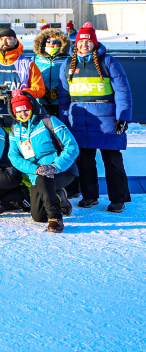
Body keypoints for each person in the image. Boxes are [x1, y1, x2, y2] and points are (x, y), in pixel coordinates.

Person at [58, 22, 132, 213]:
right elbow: (64, 95)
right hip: (79, 121)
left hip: (107, 121)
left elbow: (122, 91)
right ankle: (89, 196)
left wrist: (123, 117)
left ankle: (118, 199)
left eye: (88, 41)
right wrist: (64, 119)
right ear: (76, 43)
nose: (84, 45)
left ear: (94, 43)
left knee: (113, 162)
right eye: (81, 41)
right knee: (84, 163)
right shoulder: (67, 65)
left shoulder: (109, 62)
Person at [8, 89, 79, 233]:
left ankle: (55, 219)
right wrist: (34, 169)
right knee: (39, 216)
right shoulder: (15, 129)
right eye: (19, 111)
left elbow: (72, 147)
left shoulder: (48, 121)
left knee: (44, 180)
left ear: (32, 107)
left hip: (61, 171)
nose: (23, 114)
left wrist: (55, 167)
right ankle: (58, 195)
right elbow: (14, 157)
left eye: (26, 110)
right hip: (36, 174)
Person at [0, 27, 45, 123]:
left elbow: (39, 89)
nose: (4, 42)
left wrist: (22, 93)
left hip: (21, 114)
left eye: (8, 39)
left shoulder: (28, 63)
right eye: (0, 39)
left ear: (15, 41)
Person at [33, 26, 69, 117]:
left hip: (60, 102)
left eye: (55, 42)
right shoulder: (35, 59)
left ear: (61, 43)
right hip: (40, 101)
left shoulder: (68, 60)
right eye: (48, 41)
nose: (51, 44)